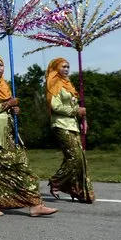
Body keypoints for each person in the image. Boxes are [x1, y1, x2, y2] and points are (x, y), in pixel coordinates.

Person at [0, 55, 58, 217]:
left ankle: (35, 204)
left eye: (1, 65)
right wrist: (7, 104)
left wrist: (14, 111)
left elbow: (7, 107)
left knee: (23, 167)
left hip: (10, 134)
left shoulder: (4, 85)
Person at [46, 58, 95, 203]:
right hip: (60, 124)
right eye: (63, 67)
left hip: (72, 125)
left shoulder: (68, 84)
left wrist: (83, 120)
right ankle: (56, 181)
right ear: (56, 68)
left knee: (80, 159)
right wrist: (76, 110)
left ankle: (77, 190)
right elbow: (56, 107)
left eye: (68, 66)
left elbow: (78, 108)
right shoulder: (54, 84)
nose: (66, 69)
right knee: (75, 157)